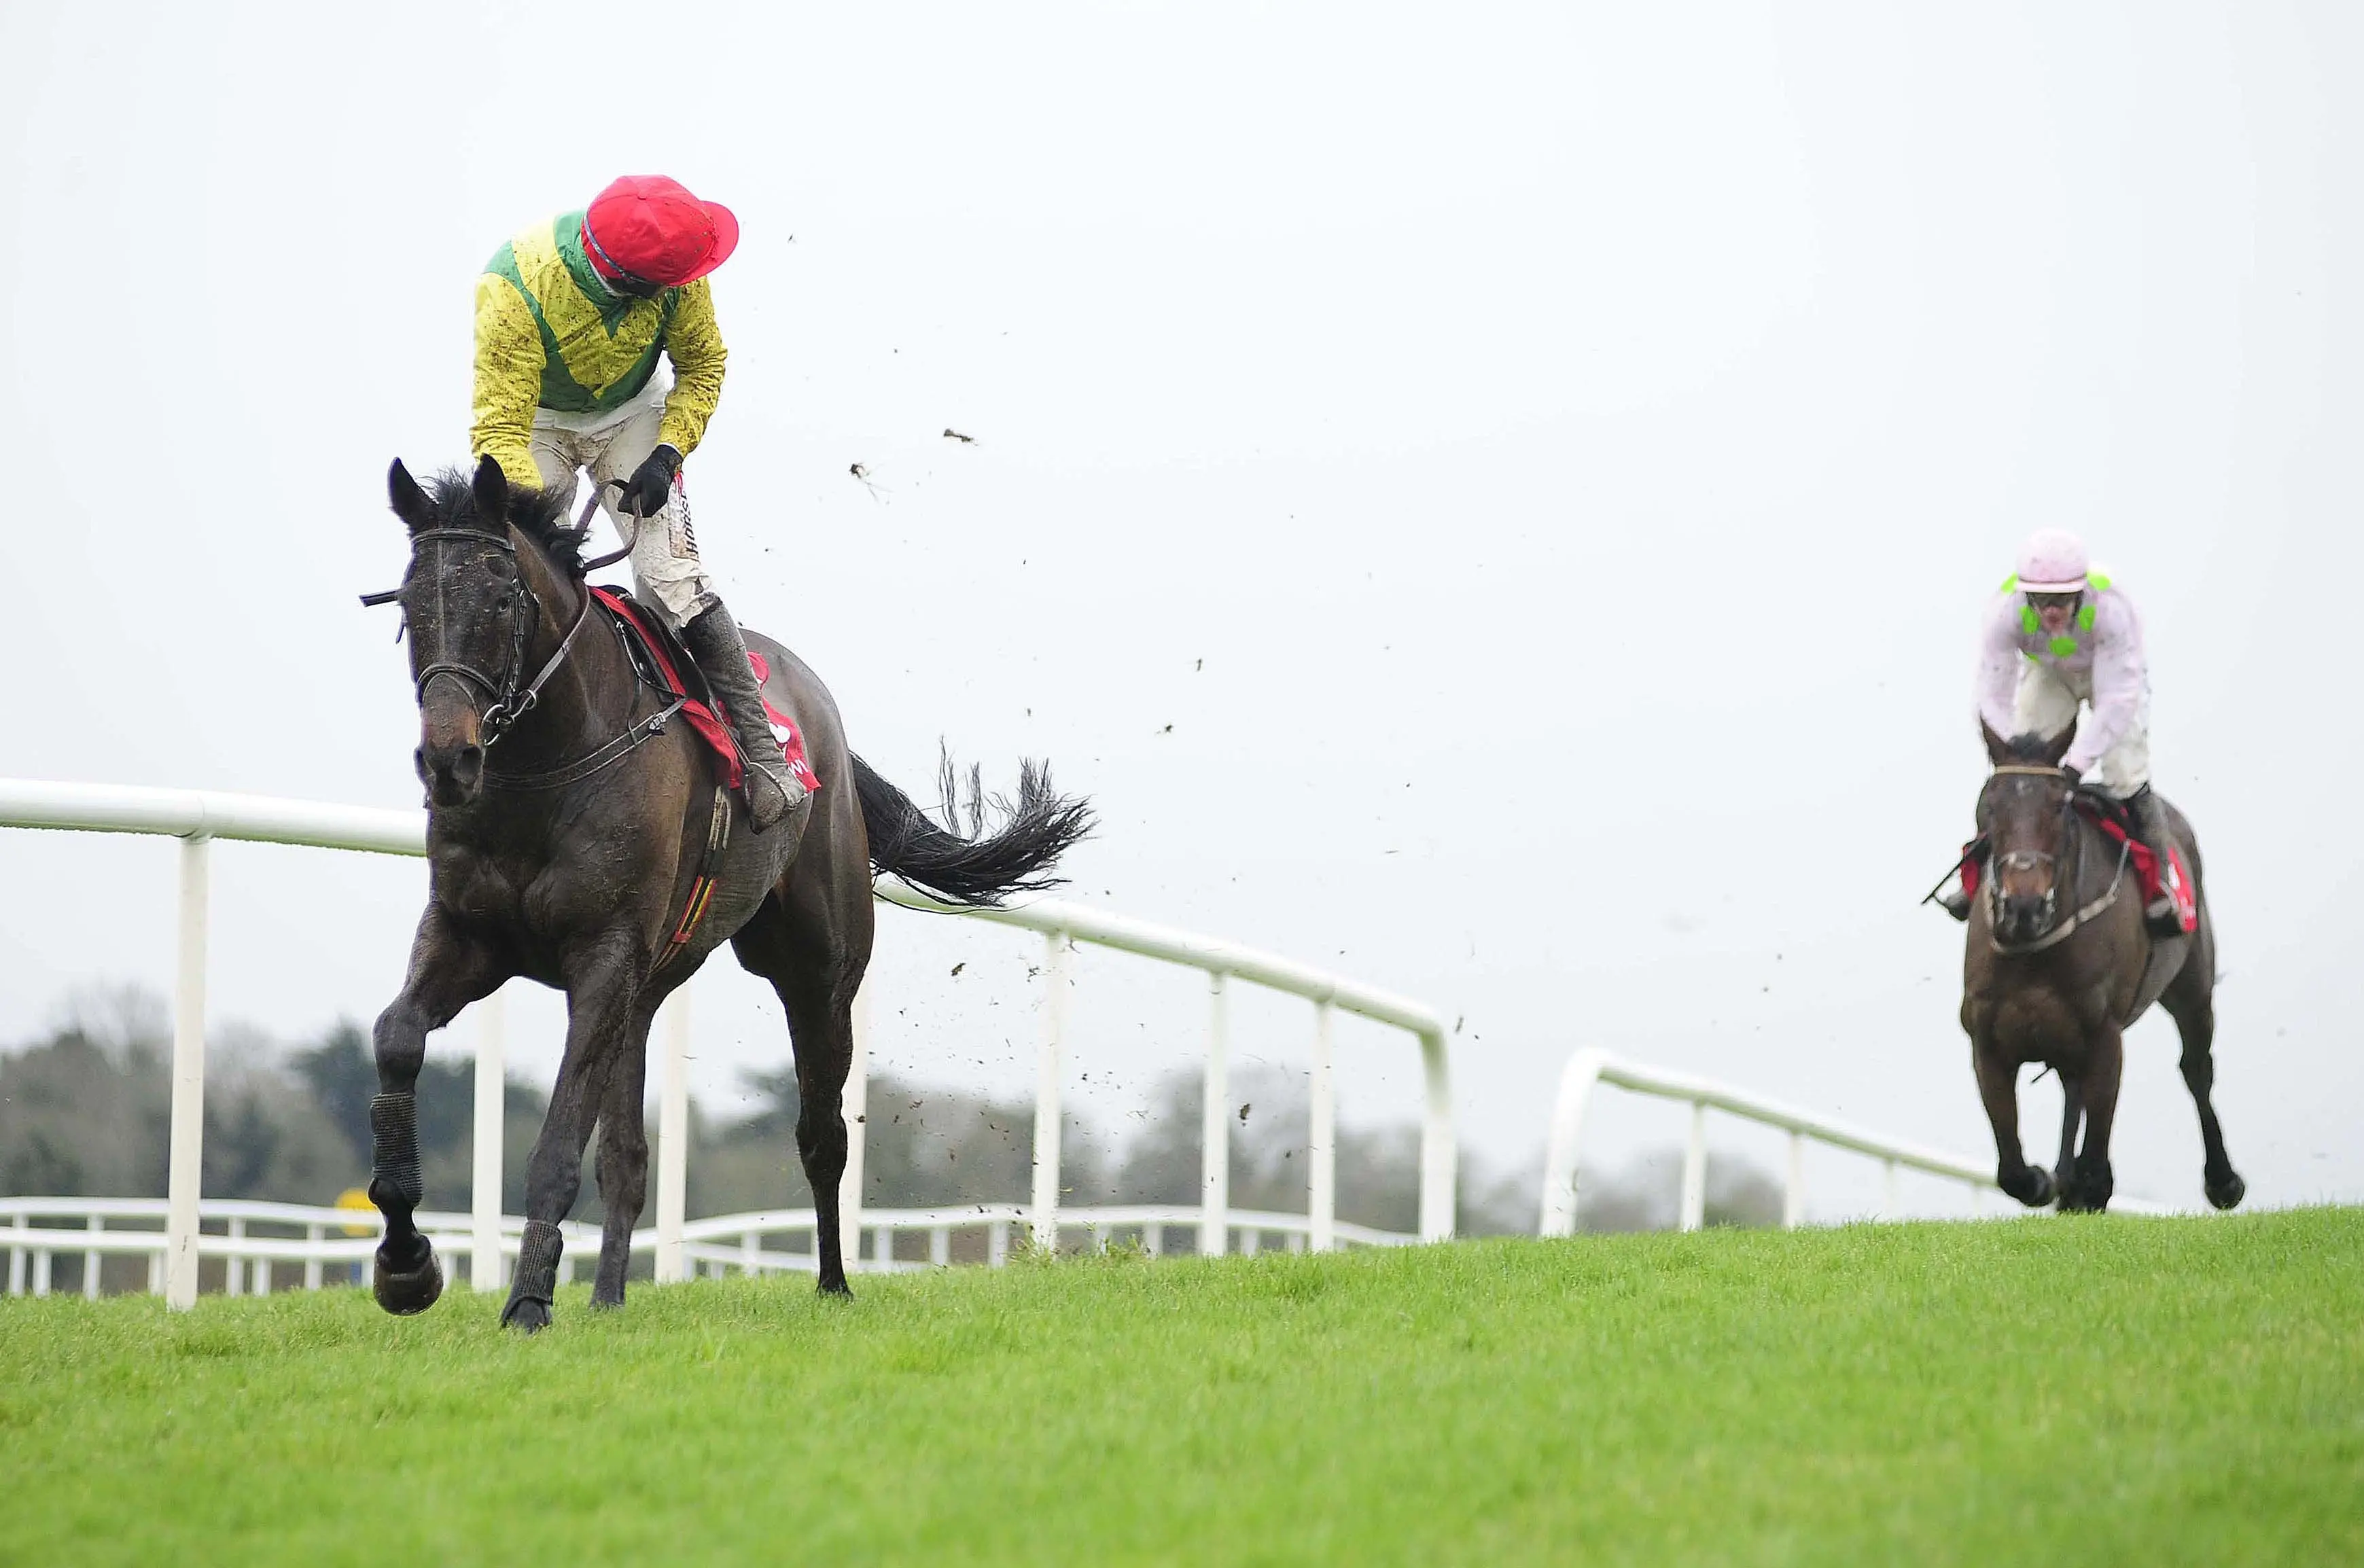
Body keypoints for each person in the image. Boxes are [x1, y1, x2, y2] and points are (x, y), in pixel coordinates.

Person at [470, 174, 802, 828]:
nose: (682, 287)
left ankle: (763, 756)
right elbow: (499, 429)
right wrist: (533, 517)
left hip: (632, 416)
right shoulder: (513, 285)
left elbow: (702, 366)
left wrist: (669, 451)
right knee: (526, 569)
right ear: (625, 277)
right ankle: (481, 742)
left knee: (669, 574)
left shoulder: (676, 269)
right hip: (533, 423)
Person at [1940, 529, 2181, 936]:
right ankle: (1974, 876)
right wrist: (2012, 759)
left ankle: (2159, 886)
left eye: (2063, 599)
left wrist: (2075, 765)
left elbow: (2117, 703)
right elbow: (1991, 698)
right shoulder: (2004, 615)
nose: (2051, 611)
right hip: (2050, 674)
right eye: (2041, 600)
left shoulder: (2112, 612)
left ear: (2080, 593)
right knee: (2019, 777)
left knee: (2126, 774)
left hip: (2112, 681)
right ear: (2027, 596)